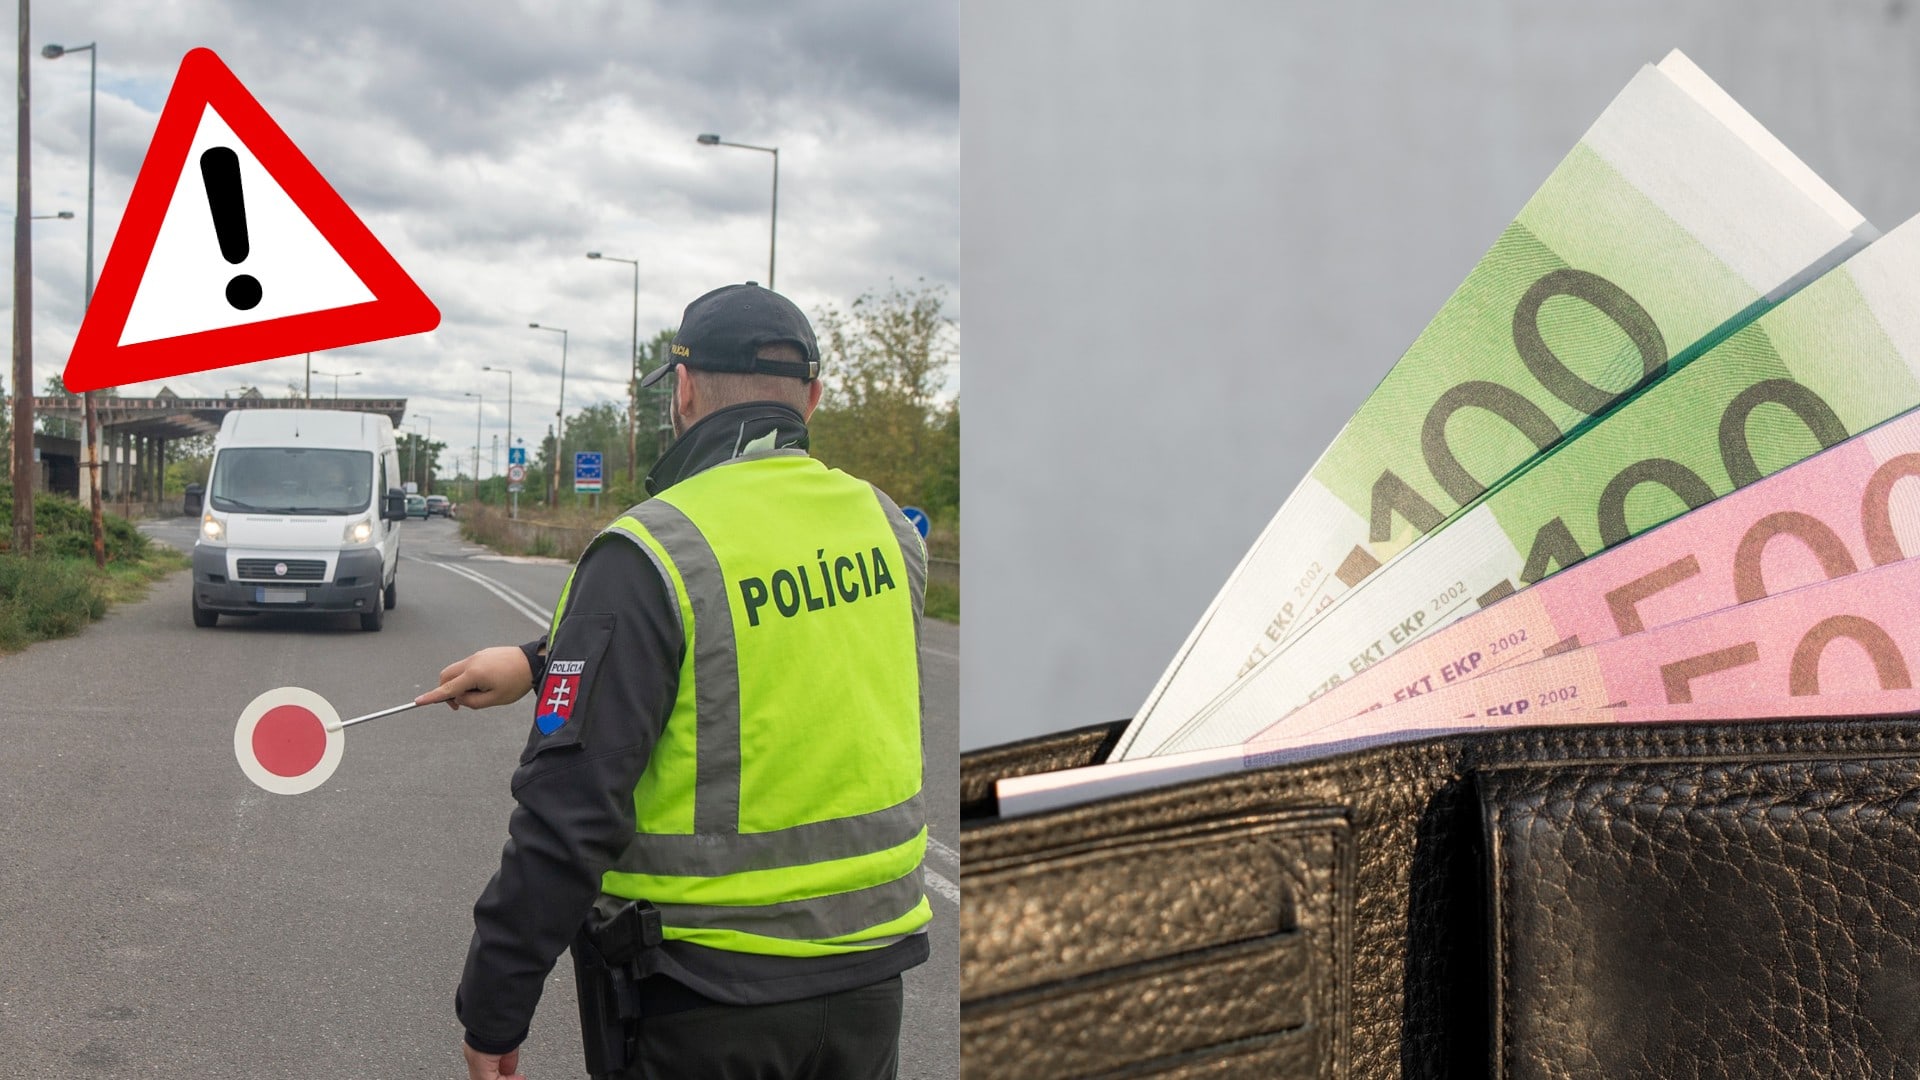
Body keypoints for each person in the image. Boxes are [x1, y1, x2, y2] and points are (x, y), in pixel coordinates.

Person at [419, 282, 930, 1080]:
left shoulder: (650, 549)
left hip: (702, 996)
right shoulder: (887, 526)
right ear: (814, 398)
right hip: (868, 988)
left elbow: (566, 813)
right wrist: (536, 661)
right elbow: (762, 643)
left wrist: (494, 1010)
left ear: (683, 392)